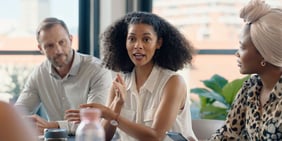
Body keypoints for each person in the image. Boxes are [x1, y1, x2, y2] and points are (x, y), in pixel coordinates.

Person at [66, 11, 197, 141]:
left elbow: (156, 137)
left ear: (159, 43)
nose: (138, 46)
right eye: (132, 39)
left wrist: (111, 115)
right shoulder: (120, 82)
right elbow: (104, 138)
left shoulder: (173, 82)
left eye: (146, 39)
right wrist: (116, 106)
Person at [15, 17, 112, 135]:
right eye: (50, 46)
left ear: (71, 40)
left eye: (62, 42)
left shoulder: (98, 70)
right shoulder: (39, 74)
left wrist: (51, 126)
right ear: (41, 49)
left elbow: (94, 123)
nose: (58, 50)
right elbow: (19, 112)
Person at [209, 0, 282, 140]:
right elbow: (228, 134)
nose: (237, 53)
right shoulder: (250, 88)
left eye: (242, 47)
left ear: (264, 54)